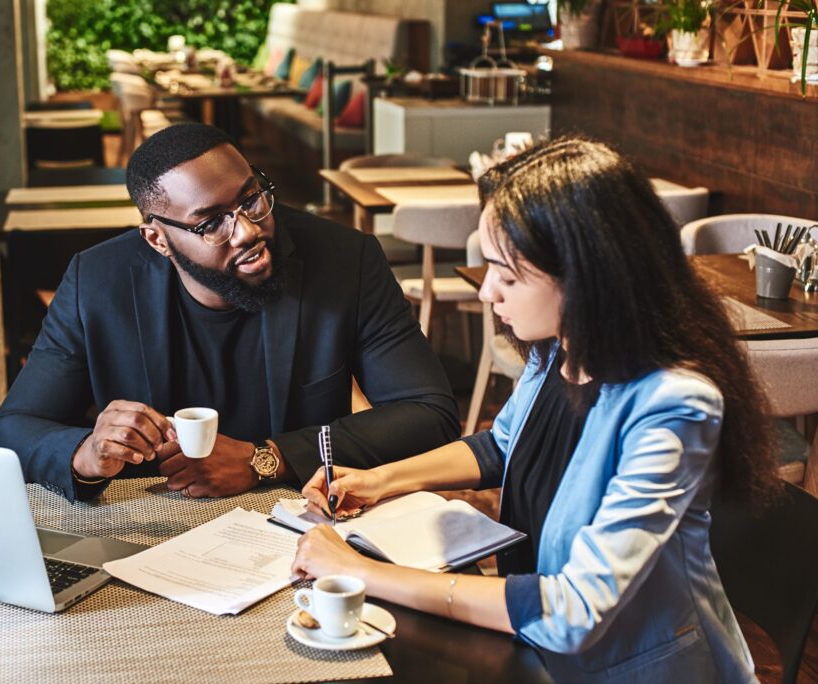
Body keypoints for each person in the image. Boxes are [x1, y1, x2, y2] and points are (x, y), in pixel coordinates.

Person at [291, 137, 779, 682]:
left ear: (584, 274)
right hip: (537, 656)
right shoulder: (559, 351)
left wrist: (358, 572)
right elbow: (502, 444)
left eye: (506, 273)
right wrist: (380, 480)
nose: (486, 293)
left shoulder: (672, 405)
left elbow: (574, 611)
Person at [0, 123, 459, 502]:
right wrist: (85, 453)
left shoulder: (343, 261)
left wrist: (268, 457)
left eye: (251, 198)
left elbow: (429, 413)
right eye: (211, 222)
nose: (248, 231)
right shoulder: (96, 281)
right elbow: (14, 429)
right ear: (158, 239)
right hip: (149, 519)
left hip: (299, 509)